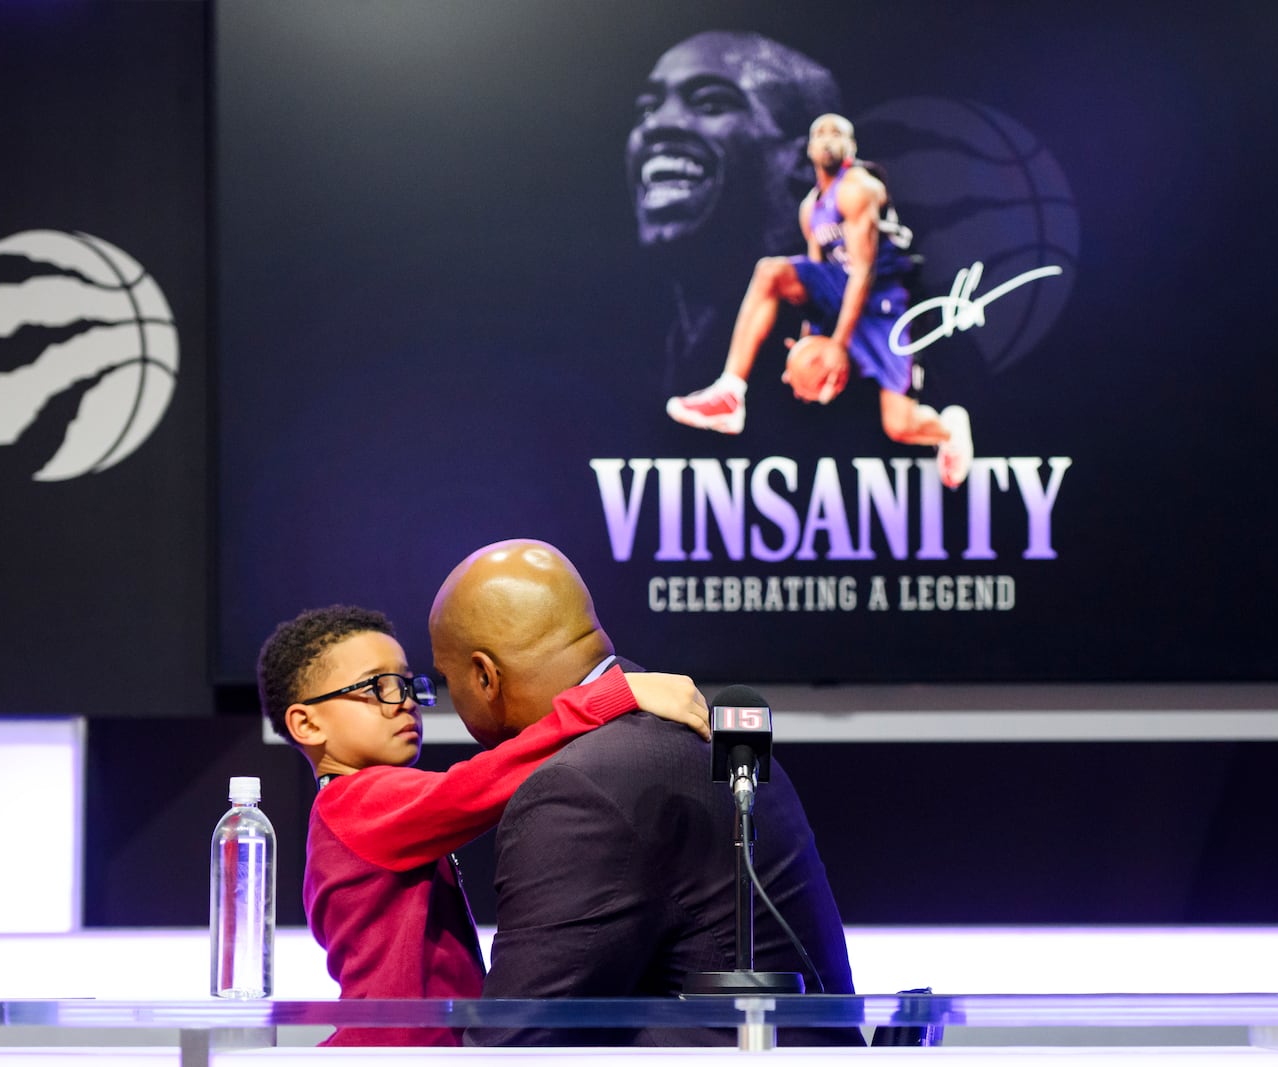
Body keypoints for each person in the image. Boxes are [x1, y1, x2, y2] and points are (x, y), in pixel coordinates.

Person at [427, 540, 864, 1046]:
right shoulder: (688, 737)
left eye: (445, 677)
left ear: (485, 676)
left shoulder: (579, 785)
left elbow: (517, 1044)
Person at [258, 604, 709, 1047]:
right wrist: (613, 697)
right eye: (379, 686)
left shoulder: (359, 810)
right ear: (307, 723)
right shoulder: (353, 804)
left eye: (407, 683)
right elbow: (479, 783)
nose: (407, 701)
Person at [665, 113, 976, 489]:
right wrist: (811, 337)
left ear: (851, 148)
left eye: (838, 133)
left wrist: (837, 347)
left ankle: (948, 430)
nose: (828, 139)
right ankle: (731, 392)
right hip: (842, 292)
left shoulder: (858, 187)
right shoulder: (811, 208)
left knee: (900, 425)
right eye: (820, 133)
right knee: (772, 272)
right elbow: (815, 277)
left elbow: (863, 272)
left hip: (885, 304)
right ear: (809, 149)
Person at [627, 31, 843, 397]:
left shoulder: (844, 342)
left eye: (711, 104)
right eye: (648, 108)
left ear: (808, 160)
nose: (656, 124)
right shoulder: (614, 358)